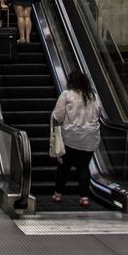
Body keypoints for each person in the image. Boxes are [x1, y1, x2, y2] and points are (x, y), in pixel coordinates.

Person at [52, 70, 103, 207]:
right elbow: (99, 114)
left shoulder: (66, 95)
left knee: (64, 167)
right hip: (90, 138)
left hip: (70, 137)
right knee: (83, 167)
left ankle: (58, 194)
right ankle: (84, 197)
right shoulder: (93, 96)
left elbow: (57, 116)